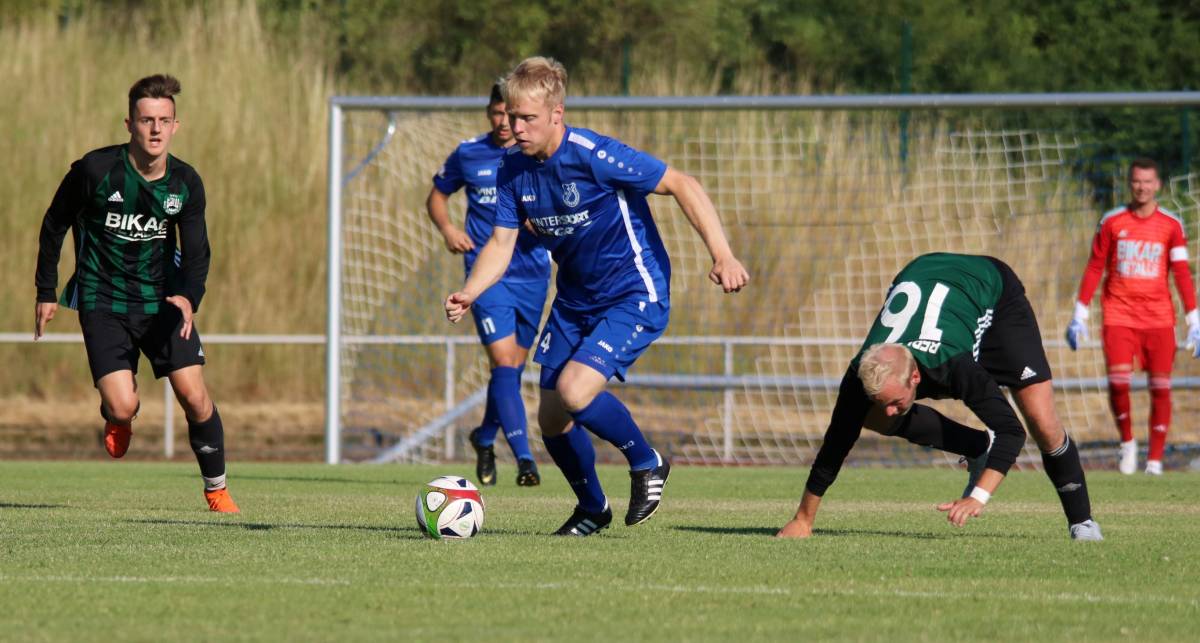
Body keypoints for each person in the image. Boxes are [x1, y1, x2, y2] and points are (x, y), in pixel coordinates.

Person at [444, 56, 749, 536]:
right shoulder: (510, 171)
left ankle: (647, 460)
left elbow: (681, 183)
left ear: (556, 114)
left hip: (633, 291)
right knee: (550, 418)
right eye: (511, 116)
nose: (516, 128)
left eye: (528, 119)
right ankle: (592, 507)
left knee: (574, 390)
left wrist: (723, 255)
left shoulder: (593, 154)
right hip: (574, 300)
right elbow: (500, 244)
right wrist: (470, 291)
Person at [777, 253, 1102, 541]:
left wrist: (978, 497)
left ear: (916, 377)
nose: (890, 412)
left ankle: (1083, 522)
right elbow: (835, 444)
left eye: (895, 401)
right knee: (861, 415)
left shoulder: (953, 366)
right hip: (928, 276)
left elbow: (1011, 432)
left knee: (1042, 423)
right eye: (884, 401)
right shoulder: (859, 374)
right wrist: (803, 520)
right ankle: (976, 448)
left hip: (994, 295)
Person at [35, 74, 238, 513]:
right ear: (128, 123)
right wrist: (46, 290)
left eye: (164, 120)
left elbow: (198, 251)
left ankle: (217, 491)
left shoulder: (185, 183)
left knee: (195, 396)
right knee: (123, 405)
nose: (155, 129)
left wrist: (190, 297)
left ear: (176, 126)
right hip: (102, 302)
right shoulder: (94, 171)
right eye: (146, 120)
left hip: (163, 302)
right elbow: (54, 223)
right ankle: (119, 415)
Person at [426, 82, 551, 487]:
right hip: (486, 275)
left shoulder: (535, 154)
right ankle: (526, 458)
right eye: (497, 113)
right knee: (502, 362)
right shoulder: (469, 153)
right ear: (488, 113)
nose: (504, 122)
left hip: (532, 274)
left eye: (510, 114)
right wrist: (447, 229)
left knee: (512, 368)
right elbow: (437, 195)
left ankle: (483, 436)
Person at [1066, 158, 1199, 475]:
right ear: (1130, 183)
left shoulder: (1171, 225)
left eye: (1148, 181)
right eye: (1137, 181)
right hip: (1118, 316)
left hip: (1158, 319)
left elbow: (1181, 274)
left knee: (1161, 388)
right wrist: (1080, 313)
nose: (1142, 187)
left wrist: (1194, 319)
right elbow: (1095, 266)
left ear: (1158, 186)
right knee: (1118, 384)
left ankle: (1154, 460)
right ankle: (1127, 443)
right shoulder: (1112, 221)